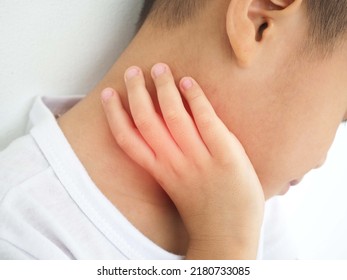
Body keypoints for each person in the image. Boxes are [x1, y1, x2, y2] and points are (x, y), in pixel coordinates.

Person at [1, 0, 347, 259]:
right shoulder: (20, 231)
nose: (323, 159)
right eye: (342, 113)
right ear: (258, 22)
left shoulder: (245, 202)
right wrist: (225, 248)